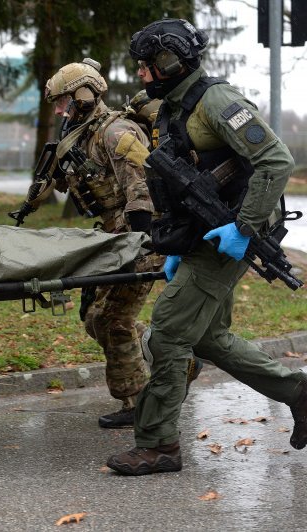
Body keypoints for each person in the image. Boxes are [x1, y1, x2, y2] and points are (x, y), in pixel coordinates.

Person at [107, 18, 307, 475]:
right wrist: (180, 244)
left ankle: (158, 445)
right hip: (206, 233)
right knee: (207, 337)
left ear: (169, 62)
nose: (140, 75)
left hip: (234, 233)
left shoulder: (216, 101)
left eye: (146, 66)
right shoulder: (173, 108)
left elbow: (276, 161)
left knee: (170, 331)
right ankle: (299, 393)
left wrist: (243, 228)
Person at [28, 58, 167, 428]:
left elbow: (143, 195)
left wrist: (138, 247)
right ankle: (171, 358)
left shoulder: (116, 133)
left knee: (113, 320)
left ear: (85, 95)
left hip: (142, 239)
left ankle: (140, 403)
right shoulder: (84, 136)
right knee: (94, 319)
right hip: (114, 239)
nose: (59, 110)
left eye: (63, 101)